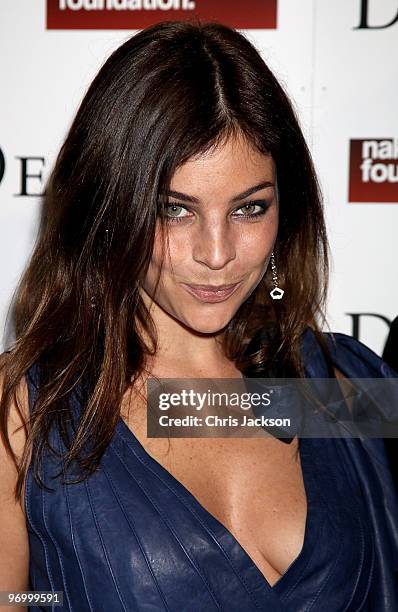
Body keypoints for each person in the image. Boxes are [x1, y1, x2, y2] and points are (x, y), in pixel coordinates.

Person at [0, 19, 397, 612]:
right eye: (174, 210)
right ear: (109, 207)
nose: (217, 254)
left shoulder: (344, 387)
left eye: (249, 208)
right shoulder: (28, 410)